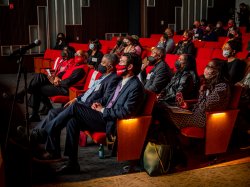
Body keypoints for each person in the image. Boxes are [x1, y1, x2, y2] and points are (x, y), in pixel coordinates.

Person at [31, 53, 145, 174]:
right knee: (72, 120)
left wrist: (102, 110)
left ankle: (44, 132)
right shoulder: (123, 80)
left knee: (75, 108)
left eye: (121, 62)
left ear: (130, 66)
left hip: (112, 122)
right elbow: (109, 100)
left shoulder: (135, 86)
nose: (118, 65)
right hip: (104, 114)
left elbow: (125, 113)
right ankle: (72, 164)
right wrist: (98, 105)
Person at [32, 53, 121, 131]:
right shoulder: (103, 76)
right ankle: (44, 139)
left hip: (88, 107)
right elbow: (90, 91)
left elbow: (106, 99)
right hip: (80, 101)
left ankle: (40, 133)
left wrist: (84, 103)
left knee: (63, 114)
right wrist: (76, 98)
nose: (100, 64)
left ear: (109, 67)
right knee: (52, 112)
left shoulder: (113, 79)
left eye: (103, 63)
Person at [153, 58, 231, 130]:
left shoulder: (222, 87)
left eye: (210, 67)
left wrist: (201, 92)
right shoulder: (210, 84)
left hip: (203, 118)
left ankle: (169, 141)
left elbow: (205, 107)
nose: (206, 69)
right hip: (195, 112)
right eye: (207, 66)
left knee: (164, 113)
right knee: (162, 108)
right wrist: (189, 105)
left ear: (218, 71)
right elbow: (202, 103)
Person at [28, 48, 88, 121]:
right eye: (76, 54)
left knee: (38, 88)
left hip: (65, 89)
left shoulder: (81, 69)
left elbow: (69, 82)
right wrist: (56, 77)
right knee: (39, 76)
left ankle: (37, 112)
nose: (76, 56)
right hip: (60, 84)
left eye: (79, 55)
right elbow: (64, 73)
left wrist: (57, 82)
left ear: (84, 58)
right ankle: (38, 112)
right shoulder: (76, 65)